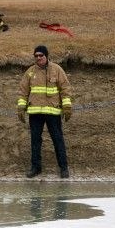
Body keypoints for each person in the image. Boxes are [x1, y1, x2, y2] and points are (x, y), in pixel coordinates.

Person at [17, 45, 72, 179]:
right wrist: (21, 108)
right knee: (35, 141)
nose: (38, 58)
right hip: (35, 113)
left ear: (47, 56)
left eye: (41, 55)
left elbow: (65, 89)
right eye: (36, 56)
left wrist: (67, 107)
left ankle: (64, 168)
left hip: (53, 112)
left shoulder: (57, 70)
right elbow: (23, 91)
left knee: (58, 140)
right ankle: (36, 168)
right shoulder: (30, 72)